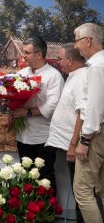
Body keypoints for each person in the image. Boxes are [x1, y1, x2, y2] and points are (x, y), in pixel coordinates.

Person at [11, 36, 64, 193]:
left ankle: (47, 216)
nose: (23, 56)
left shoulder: (54, 75)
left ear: (39, 54)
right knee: (27, 177)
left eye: (27, 53)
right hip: (23, 135)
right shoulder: (21, 73)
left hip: (44, 137)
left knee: (44, 178)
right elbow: (12, 96)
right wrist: (11, 107)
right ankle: (28, 214)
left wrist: (26, 112)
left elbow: (52, 106)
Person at [45, 43, 86, 222]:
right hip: (70, 143)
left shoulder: (82, 77)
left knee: (82, 193)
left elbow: (82, 114)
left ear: (69, 60)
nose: (58, 61)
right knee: (78, 191)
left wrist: (73, 144)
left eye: (60, 58)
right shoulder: (72, 75)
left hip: (77, 147)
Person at [73, 23, 104, 223]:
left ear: (88, 40)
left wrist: (84, 140)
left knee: (82, 190)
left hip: (96, 134)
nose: (76, 46)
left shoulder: (97, 66)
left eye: (76, 40)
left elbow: (94, 106)